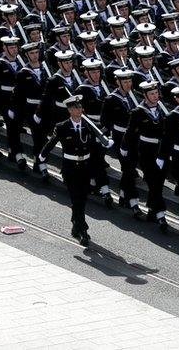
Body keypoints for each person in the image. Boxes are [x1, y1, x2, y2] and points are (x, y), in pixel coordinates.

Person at [37, 95, 111, 246]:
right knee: (76, 199)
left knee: (81, 199)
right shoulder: (62, 126)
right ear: (70, 110)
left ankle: (75, 224)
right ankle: (83, 230)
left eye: (80, 107)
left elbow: (103, 127)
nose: (80, 109)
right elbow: (52, 142)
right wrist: (42, 155)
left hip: (85, 167)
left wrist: (106, 136)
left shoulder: (88, 124)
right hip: (70, 168)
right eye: (76, 107)